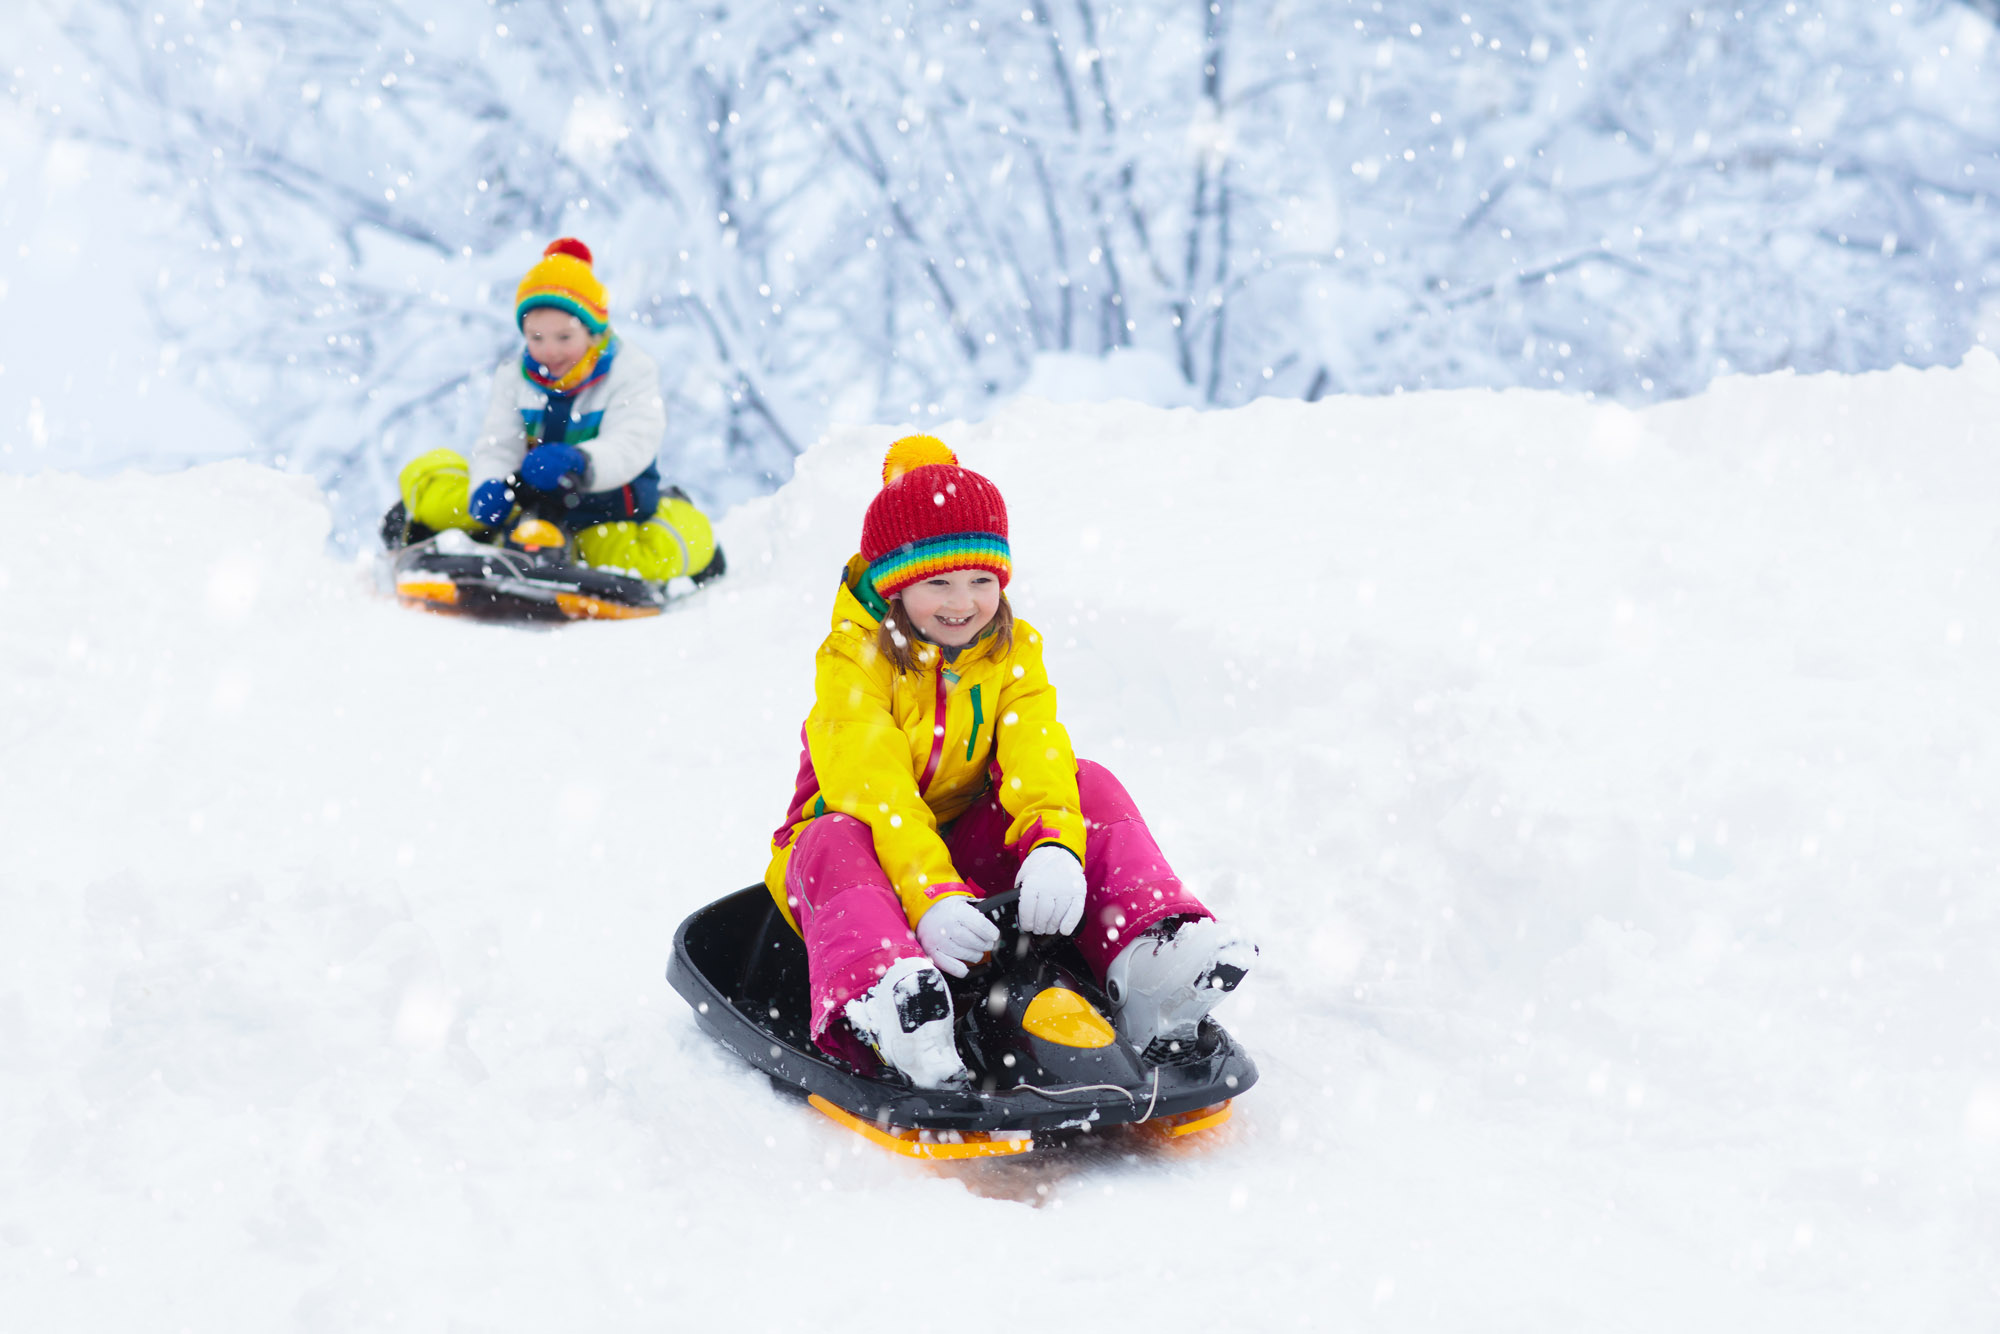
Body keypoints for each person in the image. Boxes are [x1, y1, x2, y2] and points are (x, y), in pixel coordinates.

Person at [763, 435, 1254, 1088]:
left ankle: (1148, 960)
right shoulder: (853, 662)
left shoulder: (1011, 650)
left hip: (964, 855)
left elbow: (1035, 746)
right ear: (893, 586)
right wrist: (929, 894)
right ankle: (893, 1003)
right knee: (832, 836)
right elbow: (874, 792)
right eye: (937, 580)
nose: (962, 602)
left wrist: (1054, 843)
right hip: (861, 861)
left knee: (1087, 780)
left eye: (981, 579)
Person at [391, 238, 721, 583]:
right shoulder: (515, 377)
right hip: (527, 499)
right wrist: (489, 484)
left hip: (600, 507)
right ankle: (420, 525)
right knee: (445, 494)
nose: (549, 351)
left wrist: (582, 461)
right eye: (536, 338)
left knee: (642, 556)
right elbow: (498, 443)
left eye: (564, 337)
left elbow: (634, 441)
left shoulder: (631, 371)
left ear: (593, 331)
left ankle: (672, 521)